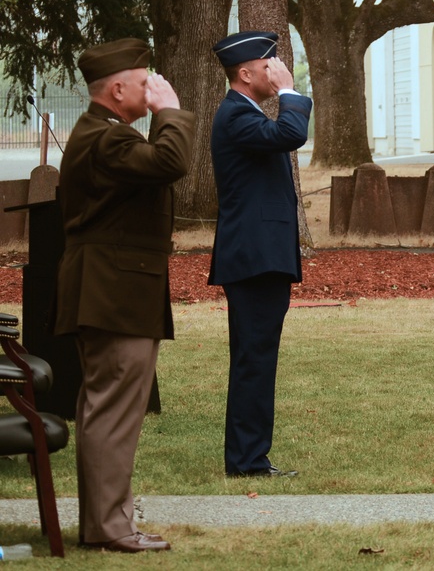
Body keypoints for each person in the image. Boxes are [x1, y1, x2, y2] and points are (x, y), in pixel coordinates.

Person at [54, 38, 194, 552]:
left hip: (108, 290)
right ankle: (112, 526)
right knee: (113, 412)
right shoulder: (106, 138)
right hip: (113, 293)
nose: (153, 87)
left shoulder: (102, 133)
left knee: (103, 412)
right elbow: (171, 160)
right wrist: (171, 111)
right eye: (144, 81)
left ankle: (104, 522)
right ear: (117, 90)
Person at [210, 31, 312, 478]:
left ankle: (250, 457)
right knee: (254, 358)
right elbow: (290, 133)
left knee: (257, 357)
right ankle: (247, 461)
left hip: (259, 256)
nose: (277, 69)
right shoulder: (235, 114)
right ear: (247, 73)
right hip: (253, 258)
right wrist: (289, 90)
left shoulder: (244, 111)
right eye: (269, 64)